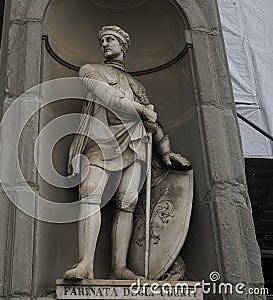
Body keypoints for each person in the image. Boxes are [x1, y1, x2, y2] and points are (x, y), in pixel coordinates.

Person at [64, 25, 191, 280]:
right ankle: (85, 264)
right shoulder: (90, 70)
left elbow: (154, 122)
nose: (105, 44)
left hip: (134, 145)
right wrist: (143, 111)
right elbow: (108, 95)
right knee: (90, 193)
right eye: (102, 41)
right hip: (100, 142)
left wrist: (165, 150)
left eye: (111, 40)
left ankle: (119, 269)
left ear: (123, 46)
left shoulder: (136, 85)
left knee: (127, 203)